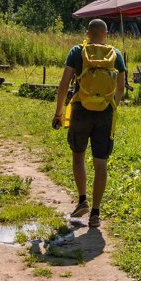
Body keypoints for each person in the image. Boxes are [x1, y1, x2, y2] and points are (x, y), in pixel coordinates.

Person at [53, 19, 126, 228]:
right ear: (106, 34)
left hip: (80, 111)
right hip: (105, 113)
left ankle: (82, 199)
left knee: (78, 156)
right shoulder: (116, 55)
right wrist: (112, 106)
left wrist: (59, 112)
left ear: (87, 33)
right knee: (100, 163)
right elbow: (121, 87)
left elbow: (64, 85)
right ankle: (95, 213)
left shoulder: (77, 52)